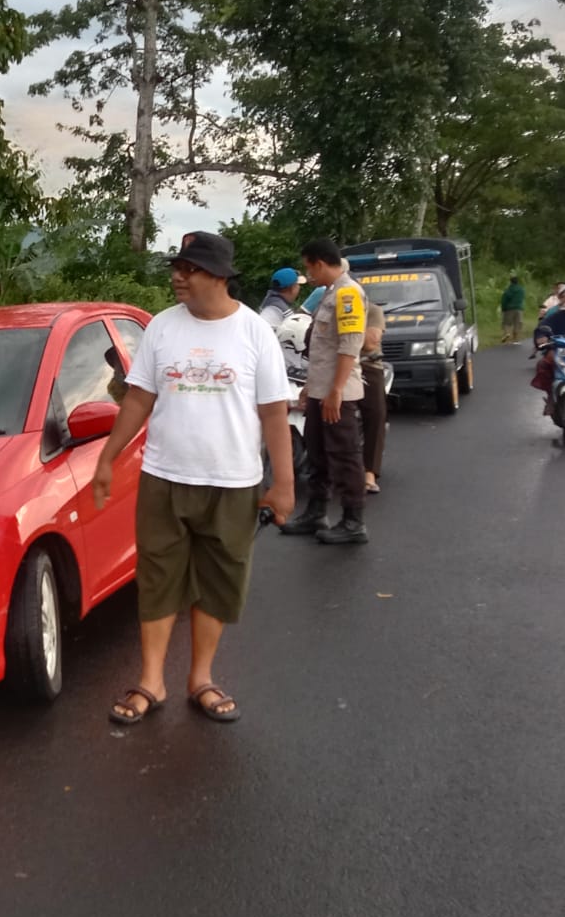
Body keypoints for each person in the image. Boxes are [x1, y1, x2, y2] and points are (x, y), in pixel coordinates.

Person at [92, 231, 294, 726]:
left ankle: (200, 678)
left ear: (220, 276)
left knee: (217, 582)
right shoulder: (162, 327)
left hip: (234, 482)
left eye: (190, 269)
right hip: (164, 477)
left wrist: (284, 484)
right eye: (177, 268)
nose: (178, 277)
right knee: (157, 578)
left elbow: (274, 412)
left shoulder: (254, 332)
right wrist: (107, 458)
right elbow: (139, 398)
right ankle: (151, 680)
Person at [280, 238, 369, 545]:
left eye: (309, 268)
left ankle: (353, 521)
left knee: (344, 456)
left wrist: (336, 391)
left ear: (319, 263)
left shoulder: (348, 293)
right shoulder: (331, 293)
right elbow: (321, 350)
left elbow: (349, 346)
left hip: (337, 394)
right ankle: (316, 512)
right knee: (317, 453)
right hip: (321, 390)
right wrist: (311, 388)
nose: (309, 275)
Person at [359, 300, 387, 495]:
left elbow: (370, 343)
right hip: (333, 367)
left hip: (367, 365)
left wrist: (343, 337)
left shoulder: (372, 310)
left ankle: (369, 472)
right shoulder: (325, 307)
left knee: (376, 415)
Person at [500, 274, 526, 344]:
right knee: (517, 324)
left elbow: (504, 300)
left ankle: (507, 334)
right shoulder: (521, 290)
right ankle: (516, 340)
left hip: (509, 309)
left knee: (506, 323)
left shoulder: (508, 290)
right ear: (517, 282)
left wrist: (503, 308)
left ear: (510, 282)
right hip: (519, 309)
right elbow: (522, 298)